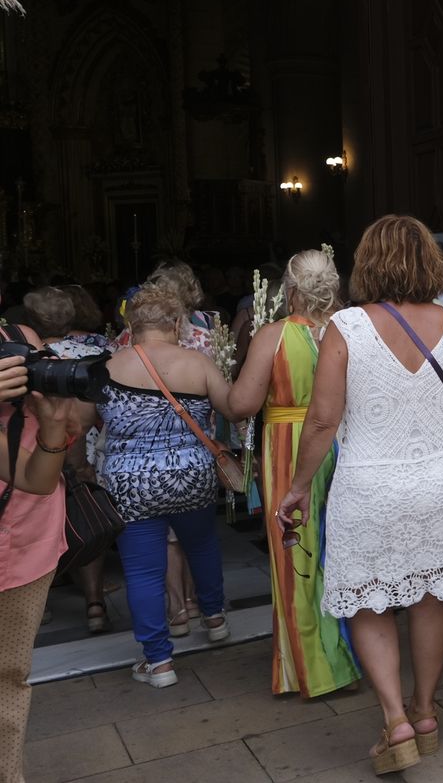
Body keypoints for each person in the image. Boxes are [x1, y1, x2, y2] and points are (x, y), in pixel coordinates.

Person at [277, 215, 443, 775]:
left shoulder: (347, 326)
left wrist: (297, 489)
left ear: (368, 263)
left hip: (372, 482)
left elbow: (322, 421)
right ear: (429, 263)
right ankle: (425, 713)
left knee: (370, 599)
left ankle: (394, 720)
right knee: (431, 596)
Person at [224, 249, 360, 697]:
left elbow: (241, 404)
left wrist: (212, 382)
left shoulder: (273, 336)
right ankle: (355, 655)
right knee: (343, 552)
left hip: (290, 447)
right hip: (348, 443)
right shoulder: (354, 328)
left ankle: (315, 669)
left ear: (290, 289)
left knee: (296, 552)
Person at [98, 286, 246, 688]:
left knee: (143, 571)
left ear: (131, 325)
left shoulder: (108, 366)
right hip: (192, 474)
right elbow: (233, 408)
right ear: (178, 323)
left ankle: (159, 662)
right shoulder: (197, 362)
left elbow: (80, 422)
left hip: (131, 482)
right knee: (202, 546)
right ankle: (214, 619)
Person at [0, 320, 74, 781]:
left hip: (23, 539)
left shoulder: (17, 335)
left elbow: (37, 480)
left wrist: (53, 427)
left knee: (8, 677)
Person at [23, 286, 112, 633]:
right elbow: (95, 409)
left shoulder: (29, 360)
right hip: (81, 448)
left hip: (37, 456)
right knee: (85, 521)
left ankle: (38, 604)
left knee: (39, 528)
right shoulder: (96, 351)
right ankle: (95, 604)